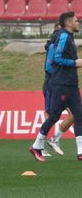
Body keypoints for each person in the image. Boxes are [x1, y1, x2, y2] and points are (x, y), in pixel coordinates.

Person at [30, 11, 82, 162]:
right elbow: (56, 58)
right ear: (69, 23)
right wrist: (74, 63)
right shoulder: (64, 36)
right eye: (76, 20)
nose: (78, 23)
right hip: (61, 84)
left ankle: (80, 152)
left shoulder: (69, 37)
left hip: (71, 85)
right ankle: (37, 145)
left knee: (79, 116)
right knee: (53, 116)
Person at [42, 23, 74, 156]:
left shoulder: (62, 47)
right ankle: (40, 145)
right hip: (52, 85)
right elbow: (49, 68)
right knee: (51, 116)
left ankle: (54, 139)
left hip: (64, 85)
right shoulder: (52, 47)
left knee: (75, 114)